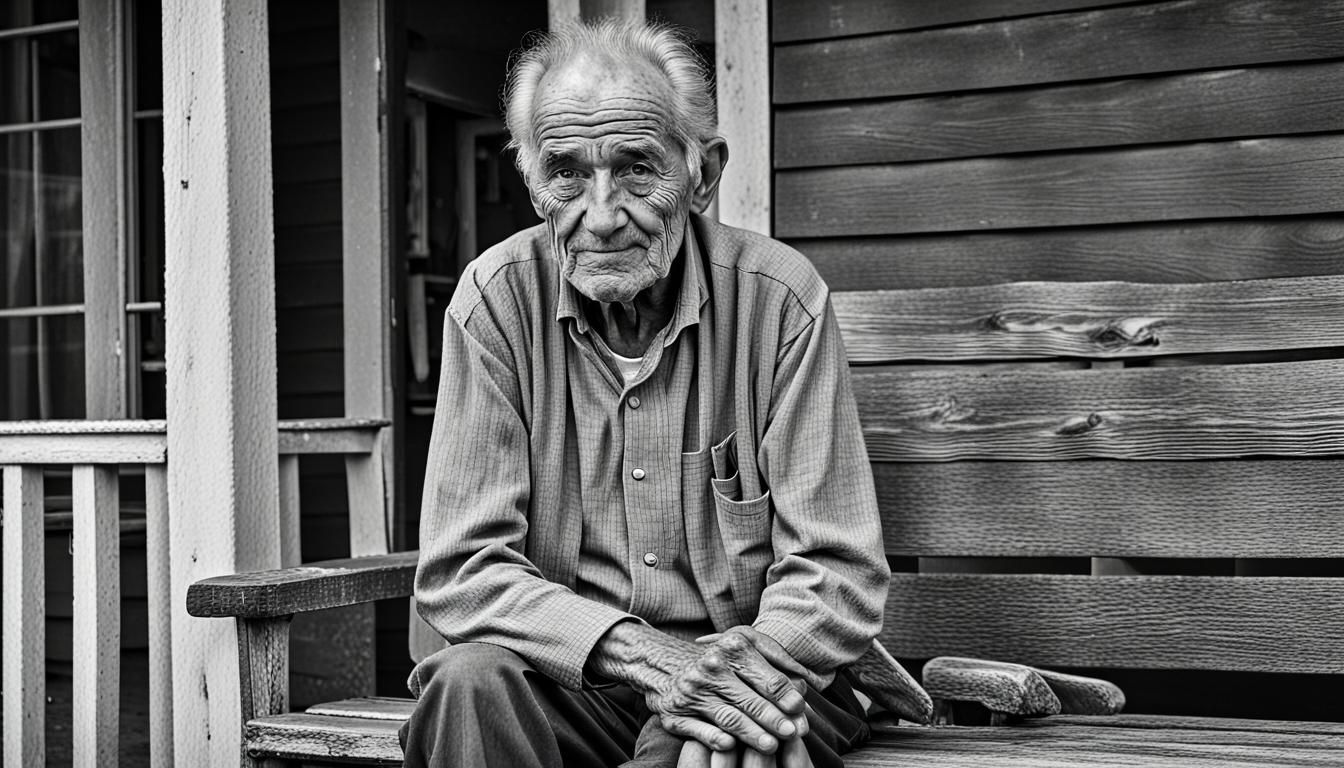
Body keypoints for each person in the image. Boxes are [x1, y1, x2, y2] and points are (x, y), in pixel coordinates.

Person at [402, 17, 893, 768]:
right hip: (574, 673)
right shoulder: (494, 304)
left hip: (764, 668)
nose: (601, 215)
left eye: (636, 167)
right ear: (533, 183)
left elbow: (835, 571)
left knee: (716, 741)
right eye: (566, 172)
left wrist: (728, 685)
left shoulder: (780, 302)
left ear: (701, 174)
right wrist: (646, 658)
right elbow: (464, 569)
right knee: (468, 687)